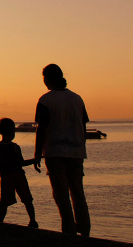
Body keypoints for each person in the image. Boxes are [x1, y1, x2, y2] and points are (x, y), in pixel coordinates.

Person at [33, 63, 91, 236]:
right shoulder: (77, 99)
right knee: (77, 192)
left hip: (55, 152)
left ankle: (69, 229)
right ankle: (84, 227)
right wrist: (81, 146)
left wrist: (37, 153)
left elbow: (42, 128)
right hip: (75, 151)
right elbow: (83, 125)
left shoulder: (45, 100)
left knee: (61, 194)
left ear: (48, 79)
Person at [0, 118, 38, 227]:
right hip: (18, 176)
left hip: (6, 177)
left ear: (0, 131)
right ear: (12, 132)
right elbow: (21, 163)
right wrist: (34, 160)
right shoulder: (15, 147)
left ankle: (0, 222)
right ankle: (33, 221)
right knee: (27, 199)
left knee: (4, 203)